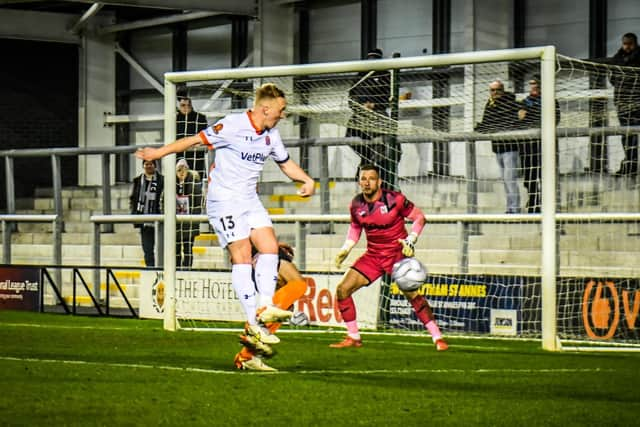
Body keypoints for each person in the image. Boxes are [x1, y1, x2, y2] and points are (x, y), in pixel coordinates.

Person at [136, 83, 316, 349]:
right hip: (223, 201)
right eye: (280, 109)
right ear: (265, 108)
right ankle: (254, 323)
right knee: (242, 253)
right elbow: (194, 140)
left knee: (269, 246)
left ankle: (265, 305)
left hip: (249, 199)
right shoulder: (232, 125)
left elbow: (285, 163)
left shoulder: (272, 135)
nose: (283, 114)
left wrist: (306, 179)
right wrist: (158, 153)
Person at [332, 164, 448, 351]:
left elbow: (419, 218)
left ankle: (437, 337)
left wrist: (411, 240)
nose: (366, 183)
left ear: (379, 181)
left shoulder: (395, 199)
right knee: (342, 290)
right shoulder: (355, 204)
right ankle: (353, 336)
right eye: (363, 179)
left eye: (371, 178)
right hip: (373, 256)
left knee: (413, 295)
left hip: (397, 254)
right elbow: (355, 228)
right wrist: (346, 248)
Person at [234, 242, 309, 371]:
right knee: (298, 285)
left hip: (256, 260)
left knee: (284, 308)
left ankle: (246, 356)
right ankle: (255, 321)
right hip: (264, 254)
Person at [345, 48, 398, 188]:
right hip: (360, 118)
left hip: (378, 117)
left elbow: (390, 97)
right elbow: (350, 98)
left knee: (386, 148)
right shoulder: (359, 76)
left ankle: (383, 180)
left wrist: (375, 104)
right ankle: (367, 163)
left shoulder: (385, 75)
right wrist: (360, 106)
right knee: (353, 140)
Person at [476, 79, 522, 213]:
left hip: (510, 147)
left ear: (503, 90)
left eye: (498, 90)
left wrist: (487, 126)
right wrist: (480, 127)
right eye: (492, 90)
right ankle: (510, 207)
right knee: (505, 179)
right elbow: (487, 122)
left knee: (510, 179)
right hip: (498, 148)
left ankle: (514, 208)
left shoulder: (508, 103)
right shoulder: (490, 104)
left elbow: (502, 122)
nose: (495, 92)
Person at [518, 75, 561, 213]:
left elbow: (555, 118)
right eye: (531, 84)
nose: (533, 86)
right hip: (528, 146)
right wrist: (522, 116)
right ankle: (533, 202)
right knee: (529, 176)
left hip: (545, 146)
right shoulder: (525, 101)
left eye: (536, 83)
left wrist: (529, 114)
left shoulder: (550, 100)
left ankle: (547, 204)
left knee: (545, 176)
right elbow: (520, 120)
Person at [609, 32, 640, 176]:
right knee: (627, 135)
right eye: (625, 43)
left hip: (637, 101)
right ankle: (630, 164)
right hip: (622, 102)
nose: (627, 46)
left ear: (635, 43)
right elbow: (612, 78)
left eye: (630, 44)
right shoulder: (617, 58)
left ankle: (631, 164)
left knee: (633, 134)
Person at [129, 159, 164, 267]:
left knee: (161, 247)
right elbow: (133, 198)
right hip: (144, 221)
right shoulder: (138, 180)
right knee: (147, 249)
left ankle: (162, 268)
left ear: (155, 166)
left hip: (159, 219)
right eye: (146, 164)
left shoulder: (162, 180)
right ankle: (150, 269)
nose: (148, 166)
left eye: (151, 164)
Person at [175, 158, 203, 268]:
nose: (181, 172)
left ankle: (187, 269)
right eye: (179, 170)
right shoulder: (171, 183)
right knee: (175, 249)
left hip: (189, 223)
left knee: (188, 249)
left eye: (184, 169)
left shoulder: (194, 183)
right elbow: (163, 200)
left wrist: (194, 219)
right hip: (176, 224)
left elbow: (198, 203)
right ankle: (176, 269)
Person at [176, 95, 209, 176]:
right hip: (180, 155)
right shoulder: (174, 119)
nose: (186, 107)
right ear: (179, 106)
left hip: (197, 155)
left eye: (188, 105)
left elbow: (203, 136)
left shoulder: (200, 118)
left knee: (197, 179)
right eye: (183, 105)